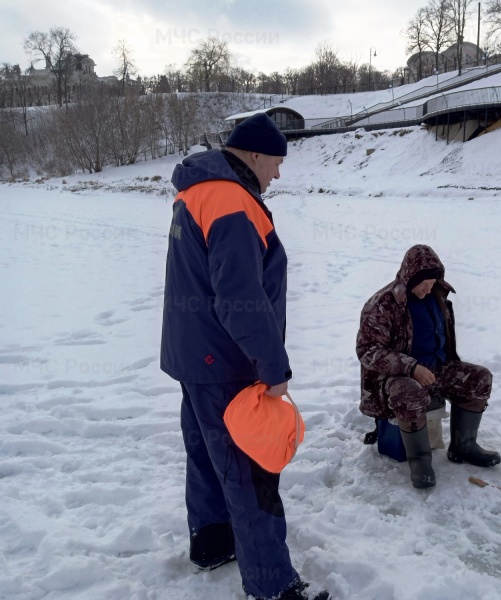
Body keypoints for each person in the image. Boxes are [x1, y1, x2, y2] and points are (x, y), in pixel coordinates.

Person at [160, 113, 329, 600]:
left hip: (193, 356)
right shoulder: (232, 199)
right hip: (225, 361)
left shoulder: (197, 189)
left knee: (207, 456)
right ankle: (273, 585)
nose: (277, 174)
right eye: (276, 162)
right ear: (254, 154)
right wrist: (271, 366)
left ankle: (213, 542)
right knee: (250, 471)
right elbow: (239, 297)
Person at [356, 244, 501, 489]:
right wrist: (411, 367)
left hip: (438, 369)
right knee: (409, 392)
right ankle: (420, 460)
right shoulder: (384, 304)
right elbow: (367, 350)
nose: (428, 289)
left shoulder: (437, 294)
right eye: (423, 285)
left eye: (432, 283)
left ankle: (463, 446)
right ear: (411, 278)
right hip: (394, 378)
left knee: (479, 378)